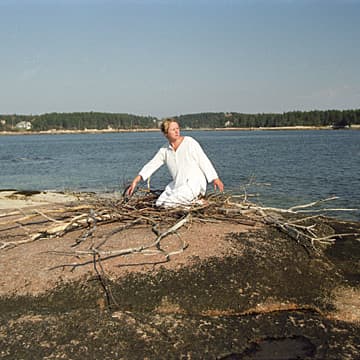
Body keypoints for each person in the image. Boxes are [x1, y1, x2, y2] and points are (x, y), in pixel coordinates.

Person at [127, 118, 224, 208]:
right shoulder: (164, 150)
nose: (177, 131)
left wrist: (215, 178)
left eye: (177, 128)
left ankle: (197, 203)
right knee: (159, 204)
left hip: (194, 183)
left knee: (169, 205)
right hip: (177, 184)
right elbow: (152, 165)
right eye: (173, 129)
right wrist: (136, 180)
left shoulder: (190, 142)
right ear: (166, 133)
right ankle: (194, 203)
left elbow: (203, 160)